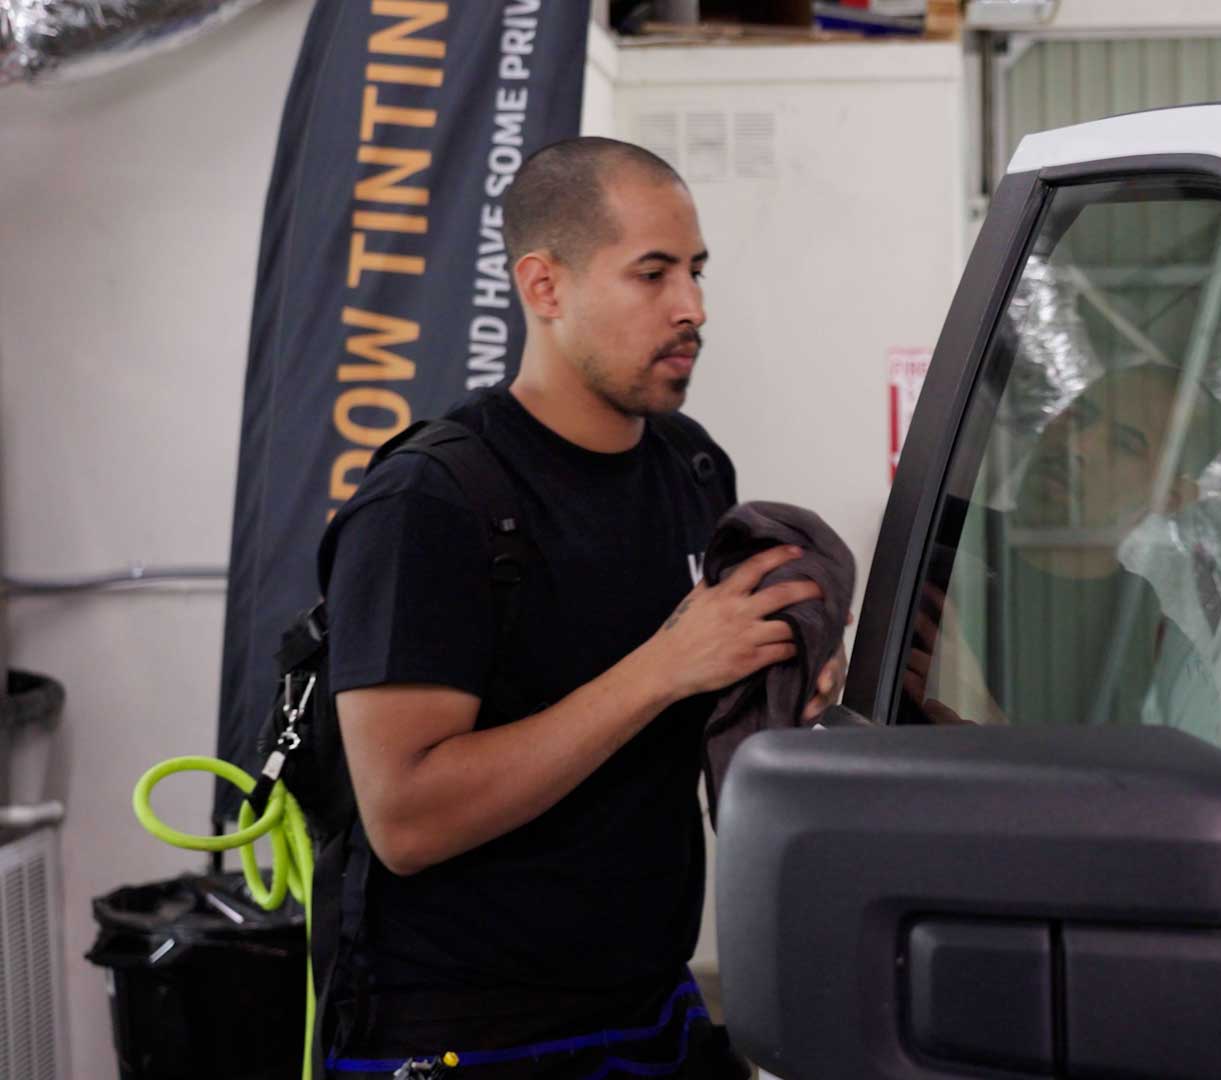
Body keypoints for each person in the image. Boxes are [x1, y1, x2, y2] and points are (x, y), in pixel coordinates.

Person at [321, 137, 841, 1078]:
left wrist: (781, 679)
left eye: (695, 271)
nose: (692, 308)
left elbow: (691, 709)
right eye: (652, 274)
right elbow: (405, 820)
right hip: (470, 1040)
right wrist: (665, 667)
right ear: (544, 286)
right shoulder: (429, 503)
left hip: (651, 1010)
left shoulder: (690, 464)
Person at [904, 363, 1221, 730]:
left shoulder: (1159, 664)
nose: (1077, 444)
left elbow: (1157, 790)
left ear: (1170, 496)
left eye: (1124, 444)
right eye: (1078, 415)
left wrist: (988, 728)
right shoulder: (921, 540)